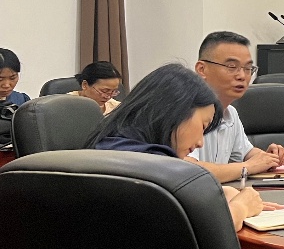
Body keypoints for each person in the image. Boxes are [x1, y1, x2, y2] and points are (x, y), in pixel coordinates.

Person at [89, 64, 271, 231]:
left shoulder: (109, 144)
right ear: (175, 111)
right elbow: (205, 230)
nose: (200, 142)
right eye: (203, 126)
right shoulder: (154, 164)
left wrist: (222, 192)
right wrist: (240, 208)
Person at [193, 31, 284, 182]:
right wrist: (248, 167)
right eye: (232, 67)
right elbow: (190, 171)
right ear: (202, 69)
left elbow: (245, 153)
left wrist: (269, 157)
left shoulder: (230, 112)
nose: (242, 76)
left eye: (248, 68)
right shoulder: (186, 112)